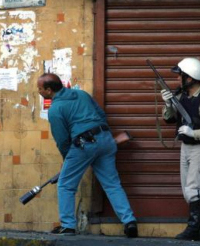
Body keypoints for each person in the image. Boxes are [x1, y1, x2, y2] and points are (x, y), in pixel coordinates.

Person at [37, 73, 138, 237]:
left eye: (40, 88)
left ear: (48, 90)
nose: (39, 91)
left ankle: (68, 226)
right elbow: (101, 115)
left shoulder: (55, 109)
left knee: (65, 184)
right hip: (106, 139)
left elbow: (62, 140)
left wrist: (67, 160)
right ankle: (129, 222)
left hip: (84, 145)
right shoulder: (82, 94)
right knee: (112, 184)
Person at [160, 58, 200, 241]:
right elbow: (170, 119)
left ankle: (193, 229)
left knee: (195, 191)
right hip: (186, 148)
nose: (176, 80)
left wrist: (194, 133)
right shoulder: (182, 96)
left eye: (180, 76)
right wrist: (168, 104)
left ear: (190, 78)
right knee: (191, 192)